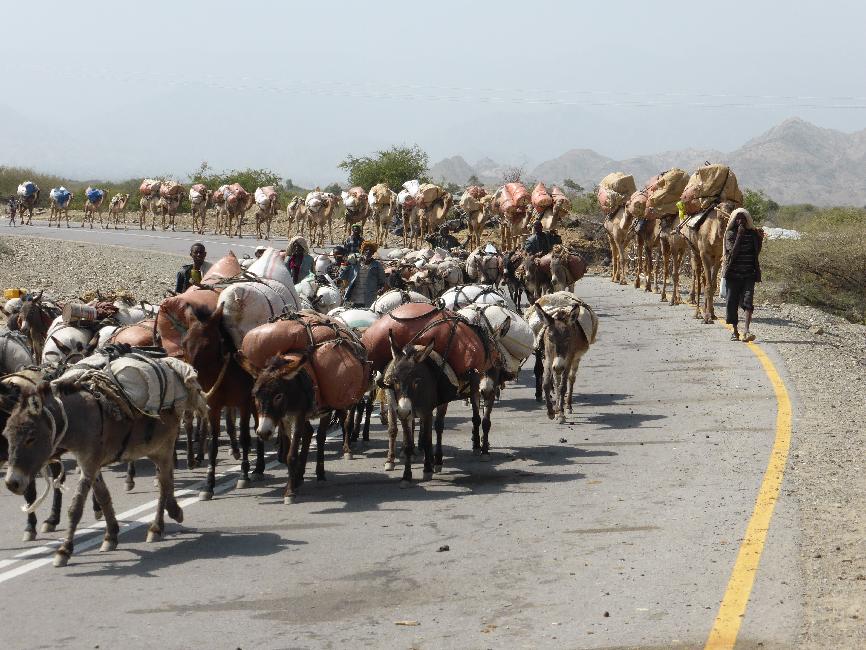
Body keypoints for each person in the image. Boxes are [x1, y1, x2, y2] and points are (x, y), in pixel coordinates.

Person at [722, 207, 763, 342]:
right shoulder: (730, 234)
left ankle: (746, 330)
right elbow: (732, 254)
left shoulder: (752, 234)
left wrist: (760, 238)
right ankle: (735, 331)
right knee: (732, 303)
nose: (741, 221)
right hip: (733, 275)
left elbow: (756, 253)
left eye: (743, 218)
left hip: (748, 275)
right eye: (738, 218)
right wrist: (739, 235)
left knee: (748, 302)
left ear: (748, 220)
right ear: (734, 220)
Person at [340, 241, 388, 308]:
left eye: (370, 250)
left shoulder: (377, 265)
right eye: (366, 250)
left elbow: (382, 281)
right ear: (362, 251)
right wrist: (346, 264)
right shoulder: (355, 263)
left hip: (369, 300)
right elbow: (342, 276)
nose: (368, 252)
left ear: (373, 253)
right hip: (353, 299)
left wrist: (381, 289)